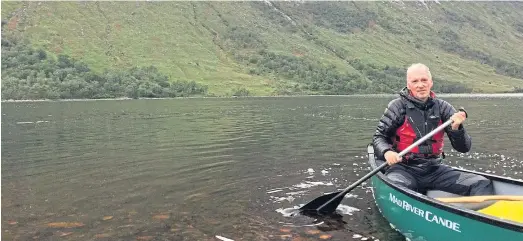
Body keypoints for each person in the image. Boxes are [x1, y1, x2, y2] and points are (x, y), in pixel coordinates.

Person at [372, 63, 494, 196]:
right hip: (403, 169)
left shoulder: (443, 108)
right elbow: (379, 137)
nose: (420, 85)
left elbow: (464, 148)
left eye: (424, 80)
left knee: (481, 184)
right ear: (408, 85)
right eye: (415, 81)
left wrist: (456, 128)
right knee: (398, 188)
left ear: (431, 83)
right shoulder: (397, 107)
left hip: (434, 169)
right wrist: (387, 152)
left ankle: (471, 215)